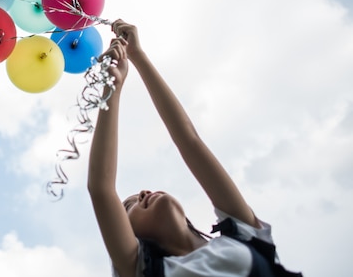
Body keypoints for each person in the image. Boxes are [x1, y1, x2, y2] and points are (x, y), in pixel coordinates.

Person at [87, 20, 302, 277]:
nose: (143, 192)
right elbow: (101, 189)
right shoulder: (143, 270)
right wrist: (113, 87)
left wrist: (138, 56)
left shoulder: (244, 237)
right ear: (130, 234)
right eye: (130, 205)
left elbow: (189, 140)